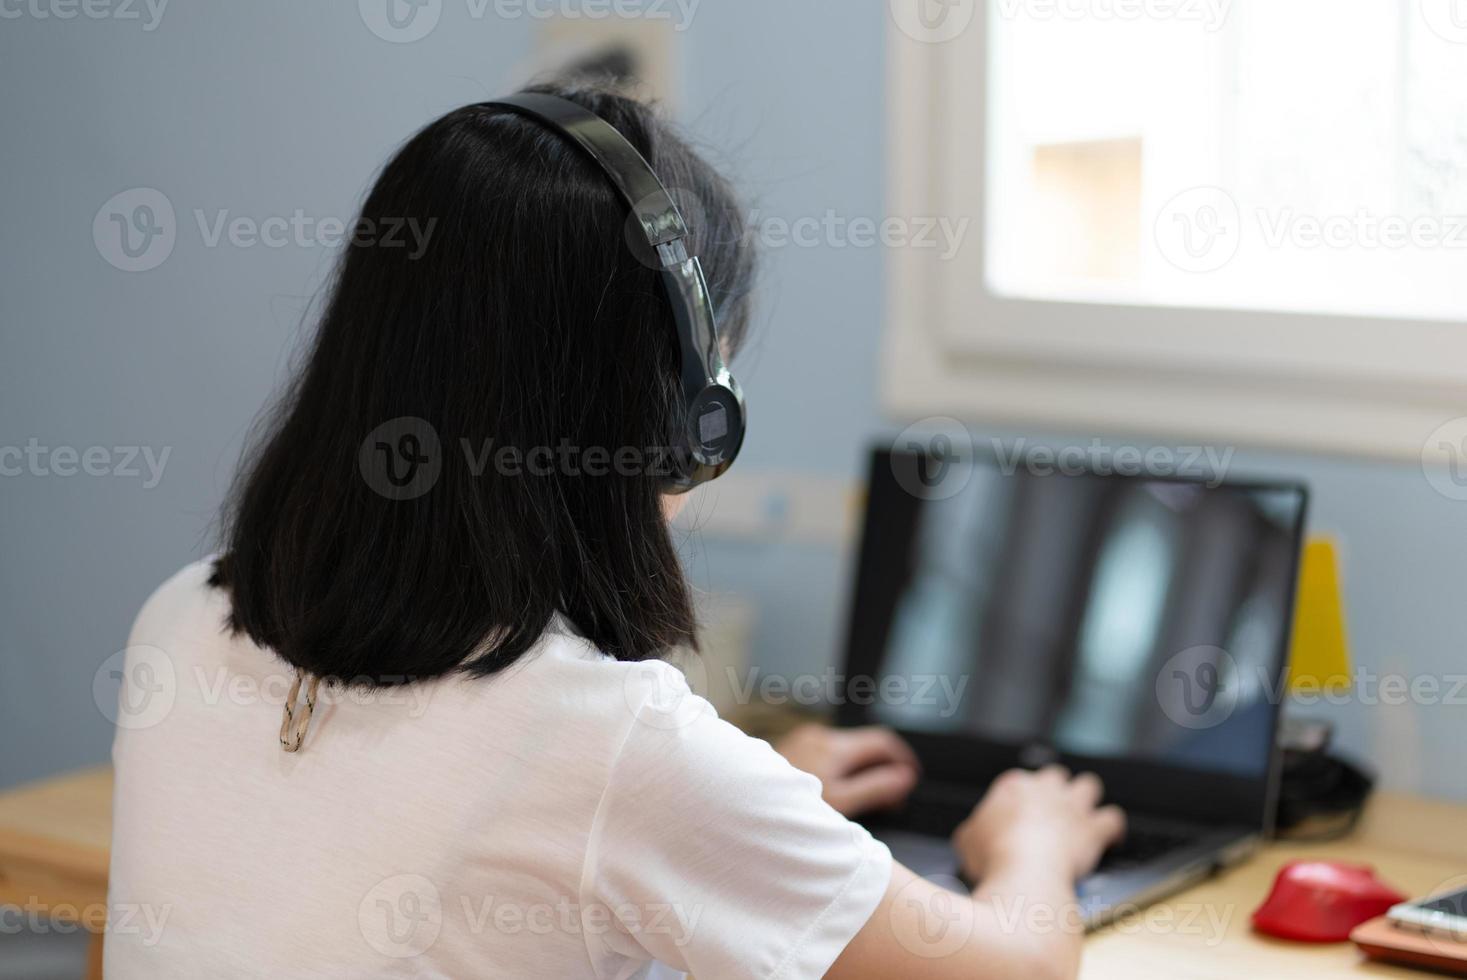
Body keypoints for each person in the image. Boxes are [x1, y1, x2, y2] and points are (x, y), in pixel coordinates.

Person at [104, 80, 1124, 979]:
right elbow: (1019, 964)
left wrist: (747, 808)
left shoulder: (182, 617)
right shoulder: (616, 744)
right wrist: (1035, 842)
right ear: (687, 420)